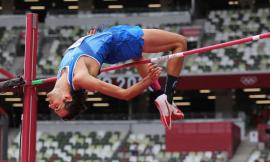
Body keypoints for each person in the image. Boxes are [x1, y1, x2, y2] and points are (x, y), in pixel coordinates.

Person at [47, 25, 187, 129]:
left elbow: (83, 52)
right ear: (67, 98)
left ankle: (160, 97)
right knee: (180, 42)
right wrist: (147, 80)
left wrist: (91, 38)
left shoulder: (61, 75)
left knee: (137, 55)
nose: (50, 105)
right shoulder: (80, 78)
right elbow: (124, 94)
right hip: (119, 40)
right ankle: (168, 99)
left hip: (109, 41)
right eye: (56, 107)